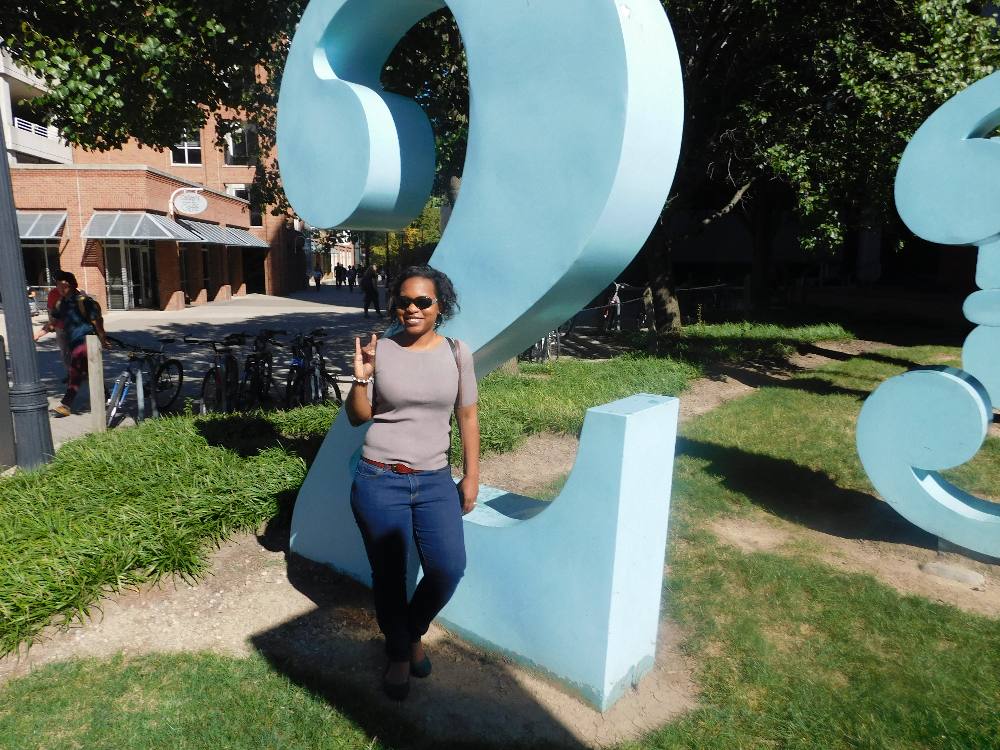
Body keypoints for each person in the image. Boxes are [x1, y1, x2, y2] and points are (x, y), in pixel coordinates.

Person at [346, 265, 479, 701]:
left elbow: (467, 415)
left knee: (448, 568)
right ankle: (400, 652)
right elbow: (358, 417)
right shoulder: (381, 350)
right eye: (404, 301)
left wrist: (472, 475)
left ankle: (411, 631)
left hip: (435, 479)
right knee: (389, 576)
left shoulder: (457, 352)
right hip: (379, 478)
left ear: (440, 306)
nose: (412, 309)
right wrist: (362, 376)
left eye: (423, 301)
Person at [49, 272, 110, 417]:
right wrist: (38, 333)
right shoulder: (61, 303)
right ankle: (106, 396)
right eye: (57, 285)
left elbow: (97, 321)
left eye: (62, 285)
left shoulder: (84, 301)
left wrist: (103, 339)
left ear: (70, 285)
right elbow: (53, 322)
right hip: (73, 342)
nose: (59, 288)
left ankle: (66, 405)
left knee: (75, 371)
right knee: (90, 372)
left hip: (87, 341)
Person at [47, 275, 71, 377]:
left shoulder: (74, 292)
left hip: (74, 327)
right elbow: (50, 309)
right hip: (60, 326)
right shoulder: (53, 293)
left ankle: (82, 372)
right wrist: (51, 323)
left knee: (77, 350)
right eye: (58, 284)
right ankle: (70, 373)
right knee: (65, 351)